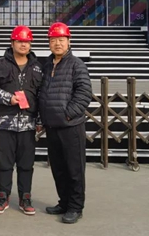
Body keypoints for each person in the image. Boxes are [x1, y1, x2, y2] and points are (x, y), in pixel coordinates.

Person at [0, 25, 43, 216]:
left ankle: (25, 198)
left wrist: (40, 120)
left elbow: (41, 95)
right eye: (19, 41)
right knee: (5, 164)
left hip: (28, 124)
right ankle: (3, 197)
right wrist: (8, 98)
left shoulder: (38, 67)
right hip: (5, 122)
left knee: (26, 164)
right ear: (12, 43)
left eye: (27, 41)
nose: (23, 44)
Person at [38, 22, 92, 224]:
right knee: (58, 168)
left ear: (69, 41)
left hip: (71, 126)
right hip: (52, 126)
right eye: (53, 40)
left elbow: (84, 93)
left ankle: (76, 207)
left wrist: (68, 115)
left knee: (74, 169)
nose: (57, 43)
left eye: (61, 40)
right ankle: (64, 202)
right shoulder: (46, 65)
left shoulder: (77, 65)